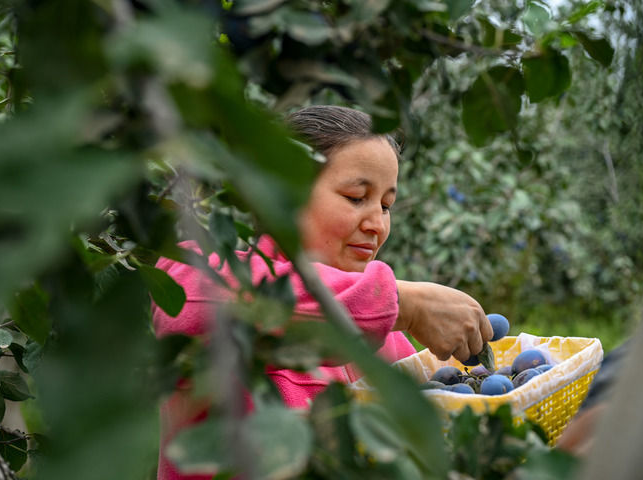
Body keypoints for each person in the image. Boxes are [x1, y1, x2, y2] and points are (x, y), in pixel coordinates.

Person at [152, 105, 494, 479]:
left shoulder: (389, 344)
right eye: (355, 197)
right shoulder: (196, 271)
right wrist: (404, 304)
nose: (377, 224)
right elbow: (202, 303)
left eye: (386, 205)